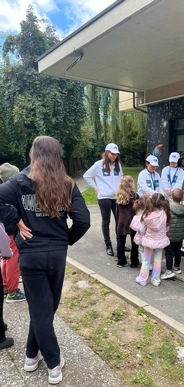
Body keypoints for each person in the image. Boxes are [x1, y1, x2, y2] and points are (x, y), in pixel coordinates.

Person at [0, 136, 90, 384]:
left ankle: (31, 356)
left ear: (34, 154)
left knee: (42, 310)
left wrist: (16, 219)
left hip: (30, 254)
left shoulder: (19, 182)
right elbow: (83, 221)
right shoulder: (66, 184)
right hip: (55, 254)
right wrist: (65, 239)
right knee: (45, 311)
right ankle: (53, 363)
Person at [83, 143, 123, 256]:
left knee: (119, 220)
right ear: (106, 153)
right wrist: (96, 188)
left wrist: (122, 191)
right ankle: (108, 244)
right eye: (112, 154)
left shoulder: (117, 164)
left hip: (116, 197)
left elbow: (121, 178)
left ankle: (120, 243)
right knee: (106, 221)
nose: (114, 156)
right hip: (104, 197)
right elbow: (86, 175)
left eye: (116, 154)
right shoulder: (99, 164)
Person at [0, 162, 26, 303]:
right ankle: (12, 291)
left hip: (5, 233)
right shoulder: (9, 196)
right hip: (10, 233)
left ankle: (5, 286)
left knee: (6, 259)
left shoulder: (4, 192)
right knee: (13, 260)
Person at [135, 193, 171, 287]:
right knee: (157, 260)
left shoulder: (146, 216)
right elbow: (166, 228)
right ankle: (155, 280)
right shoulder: (164, 214)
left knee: (146, 260)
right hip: (160, 240)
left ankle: (142, 279)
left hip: (149, 241)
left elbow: (142, 230)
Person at [161, 188, 184, 280]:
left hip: (169, 236)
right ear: (182, 198)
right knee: (178, 252)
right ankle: (177, 267)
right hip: (180, 236)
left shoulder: (168, 209)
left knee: (169, 253)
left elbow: (166, 222)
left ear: (171, 197)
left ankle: (169, 270)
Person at [116, 176, 139, 268]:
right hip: (132, 221)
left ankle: (121, 261)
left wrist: (118, 220)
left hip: (122, 221)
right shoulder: (135, 196)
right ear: (131, 184)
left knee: (121, 242)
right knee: (134, 242)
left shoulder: (118, 196)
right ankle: (134, 262)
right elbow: (137, 209)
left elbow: (116, 211)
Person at [130, 196, 146, 265]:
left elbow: (133, 227)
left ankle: (143, 264)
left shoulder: (136, 215)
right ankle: (150, 265)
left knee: (141, 251)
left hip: (139, 236)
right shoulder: (147, 214)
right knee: (148, 251)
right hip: (147, 236)